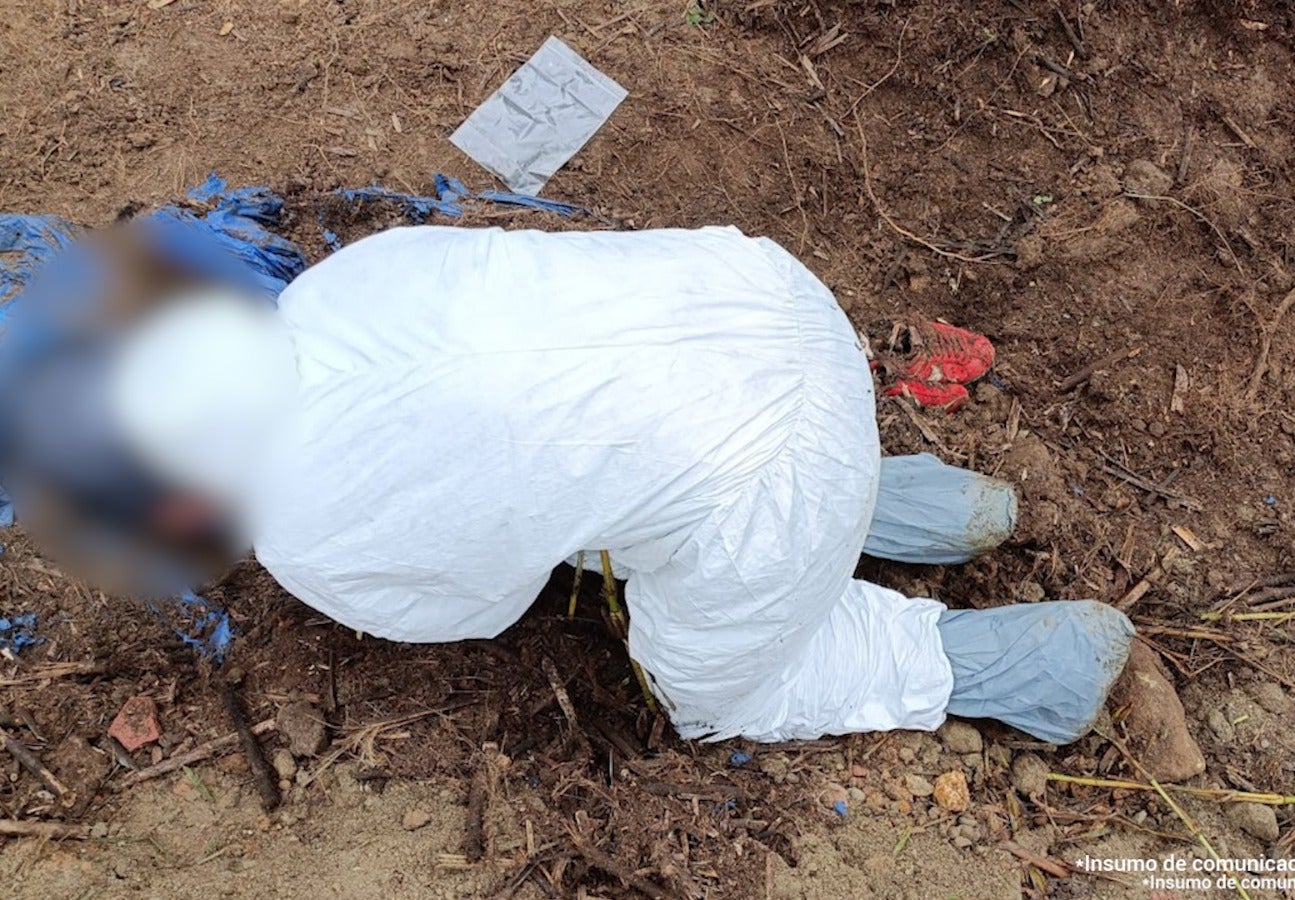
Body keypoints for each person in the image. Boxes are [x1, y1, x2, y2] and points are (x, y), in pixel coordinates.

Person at [0, 221, 1191, 756]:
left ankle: (1007, 664)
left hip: (763, 479)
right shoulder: (343, 286)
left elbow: (479, 601)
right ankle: (909, 502)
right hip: (771, 306)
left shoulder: (312, 534)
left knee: (720, 684)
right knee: (623, 452)